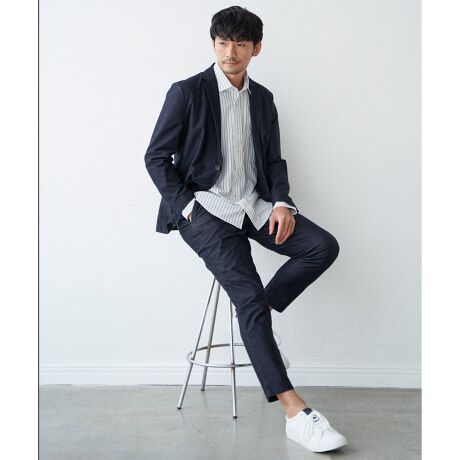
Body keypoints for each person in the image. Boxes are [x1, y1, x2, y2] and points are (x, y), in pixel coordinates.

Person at [144, 6, 347, 453]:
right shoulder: (187, 92)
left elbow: (273, 160)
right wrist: (188, 207)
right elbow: (156, 157)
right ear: (213, 43)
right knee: (248, 299)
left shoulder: (263, 99)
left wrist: (282, 202)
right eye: (222, 42)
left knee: (321, 247)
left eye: (239, 44)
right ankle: (295, 413)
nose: (229, 52)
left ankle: (259, 323)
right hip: (205, 212)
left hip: (254, 206)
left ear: (256, 48)